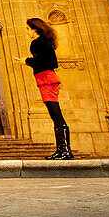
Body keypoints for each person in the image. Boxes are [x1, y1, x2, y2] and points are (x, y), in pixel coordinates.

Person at [25, 17, 73, 160]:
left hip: (46, 79)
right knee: (55, 116)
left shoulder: (37, 43)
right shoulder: (46, 43)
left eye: (28, 29)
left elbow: (43, 62)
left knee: (56, 116)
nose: (27, 32)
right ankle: (61, 150)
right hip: (48, 78)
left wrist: (26, 61)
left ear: (35, 29)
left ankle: (65, 150)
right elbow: (52, 62)